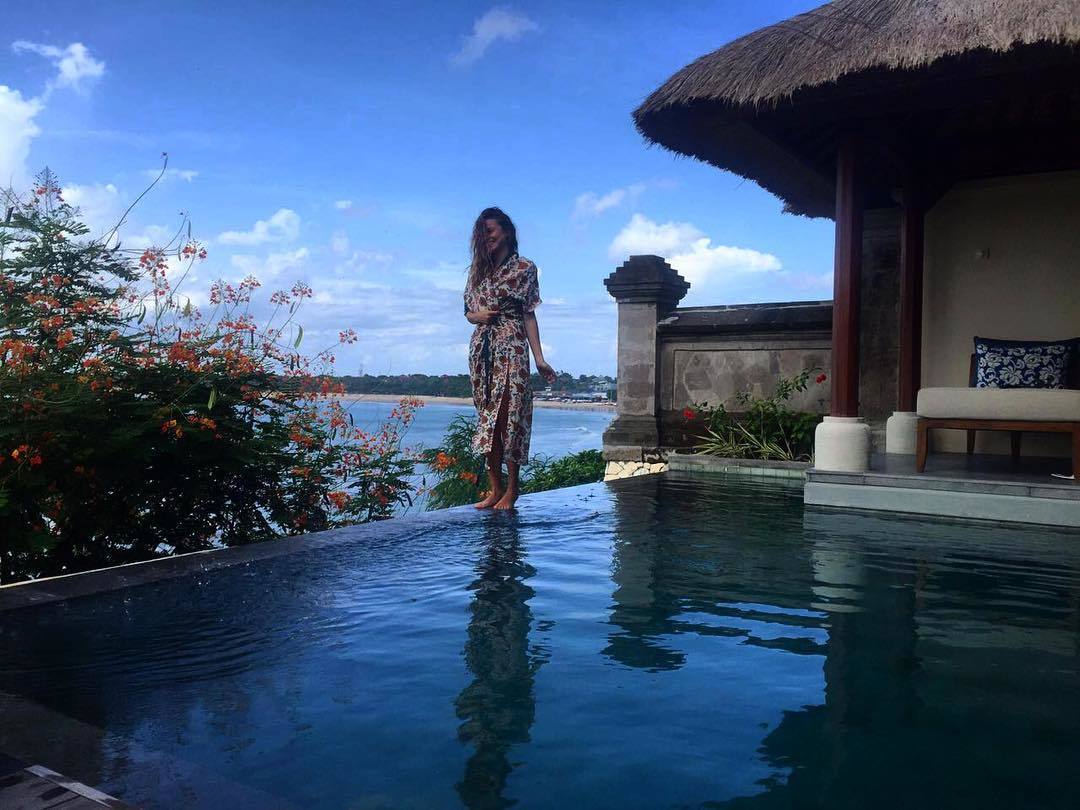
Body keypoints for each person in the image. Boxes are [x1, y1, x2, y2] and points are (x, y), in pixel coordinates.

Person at [464, 207, 556, 510]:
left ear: (506, 231)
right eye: (482, 233)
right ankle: (495, 489)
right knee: (486, 419)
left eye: (490, 230)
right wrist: (478, 316)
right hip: (482, 350)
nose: (486, 237)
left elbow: (529, 314)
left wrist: (539, 359)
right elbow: (468, 312)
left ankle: (513, 489)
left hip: (512, 346)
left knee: (509, 417)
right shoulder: (477, 270)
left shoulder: (524, 268)